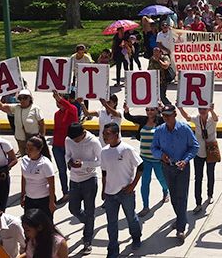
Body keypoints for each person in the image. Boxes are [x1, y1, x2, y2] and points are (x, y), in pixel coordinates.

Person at [151, 105, 199, 241]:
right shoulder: (159, 131)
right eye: (164, 115)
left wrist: (185, 160)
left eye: (168, 115)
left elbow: (194, 146)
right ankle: (180, 218)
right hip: (167, 167)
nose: (166, 118)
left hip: (182, 168)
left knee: (182, 197)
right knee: (173, 196)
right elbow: (154, 147)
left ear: (175, 114)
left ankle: (181, 228)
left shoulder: (185, 129)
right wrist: (160, 155)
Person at [101, 122, 143, 257]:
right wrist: (103, 189)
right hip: (110, 194)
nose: (104, 136)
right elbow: (104, 172)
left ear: (116, 134)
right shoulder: (104, 151)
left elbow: (141, 167)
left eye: (107, 134)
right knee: (111, 224)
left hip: (126, 193)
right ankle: (113, 250)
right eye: (103, 134)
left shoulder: (127, 149)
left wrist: (132, 186)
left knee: (131, 218)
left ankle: (136, 237)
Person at [124, 105, 169, 217]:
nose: (149, 112)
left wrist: (162, 108)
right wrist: (126, 110)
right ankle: (145, 206)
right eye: (147, 110)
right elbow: (129, 117)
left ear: (156, 111)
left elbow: (169, 117)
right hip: (144, 158)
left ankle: (165, 190)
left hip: (157, 158)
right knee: (145, 182)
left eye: (152, 110)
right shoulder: (143, 120)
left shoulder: (161, 121)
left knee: (161, 178)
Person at [64, 123, 102, 255]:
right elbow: (67, 155)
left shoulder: (93, 142)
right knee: (73, 209)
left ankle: (87, 240)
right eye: (72, 139)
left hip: (89, 180)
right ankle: (88, 222)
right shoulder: (69, 139)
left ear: (83, 133)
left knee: (89, 210)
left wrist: (84, 164)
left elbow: (100, 161)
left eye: (77, 139)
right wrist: (69, 162)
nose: (74, 141)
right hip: (74, 180)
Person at [178, 104, 219, 214]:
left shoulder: (212, 118)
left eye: (204, 109)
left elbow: (216, 118)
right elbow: (187, 117)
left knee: (210, 174)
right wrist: (180, 108)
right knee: (198, 177)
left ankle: (210, 195)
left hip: (211, 151)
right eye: (200, 109)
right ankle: (198, 202)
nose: (202, 111)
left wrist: (212, 111)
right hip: (199, 152)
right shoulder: (196, 118)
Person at [0, 89, 45, 157]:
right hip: (20, 140)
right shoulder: (16, 108)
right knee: (25, 160)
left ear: (30, 98)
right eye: (20, 98)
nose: (22, 100)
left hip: (33, 141)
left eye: (25, 98)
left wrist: (41, 138)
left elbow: (42, 124)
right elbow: (1, 106)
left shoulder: (35, 109)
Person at [50, 91, 78, 206]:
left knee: (74, 169)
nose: (58, 103)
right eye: (56, 101)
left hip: (70, 147)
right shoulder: (56, 114)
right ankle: (66, 193)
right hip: (57, 146)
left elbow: (69, 106)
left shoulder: (72, 111)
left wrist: (59, 98)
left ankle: (75, 192)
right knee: (62, 171)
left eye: (60, 101)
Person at [20, 135, 56, 220]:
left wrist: (51, 202)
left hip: (44, 200)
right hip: (29, 199)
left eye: (31, 149)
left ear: (39, 150)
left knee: (46, 225)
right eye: (26, 149)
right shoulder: (24, 160)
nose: (28, 151)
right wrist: (22, 195)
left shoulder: (45, 163)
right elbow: (24, 178)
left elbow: (51, 184)